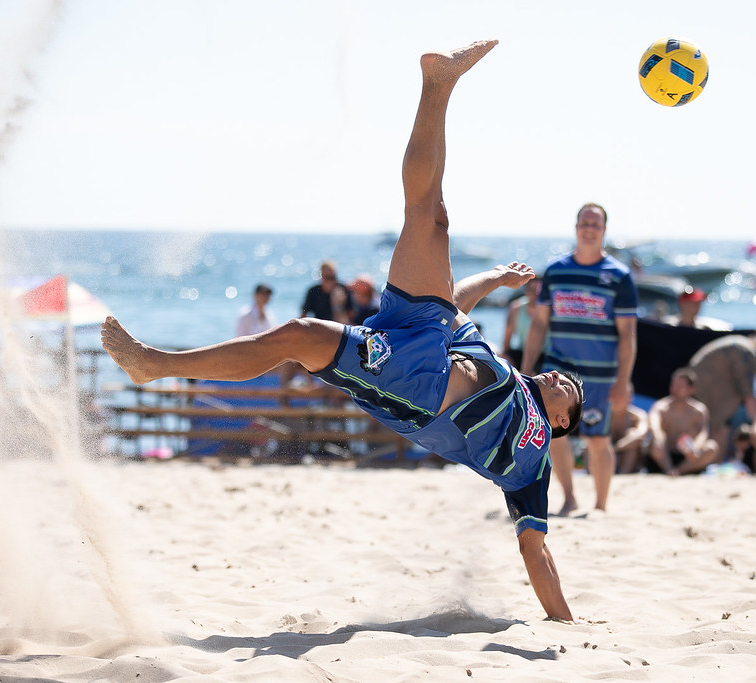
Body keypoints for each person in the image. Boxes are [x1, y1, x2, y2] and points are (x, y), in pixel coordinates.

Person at [101, 40, 584, 622]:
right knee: (432, 215)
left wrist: (565, 622)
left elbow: (535, 547)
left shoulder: (533, 459)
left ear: (561, 421)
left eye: (569, 389)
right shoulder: (507, 369)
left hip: (420, 388)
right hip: (423, 333)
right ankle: (440, 86)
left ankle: (155, 364)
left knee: (301, 335)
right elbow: (457, 303)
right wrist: (500, 276)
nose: (560, 377)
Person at [521, 203, 638, 514]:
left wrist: (623, 381)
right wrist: (528, 366)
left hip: (601, 374)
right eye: (584, 223)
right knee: (556, 435)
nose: (589, 229)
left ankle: (600, 506)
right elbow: (539, 323)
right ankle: (569, 498)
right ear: (576, 227)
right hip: (559, 370)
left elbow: (628, 335)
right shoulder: (557, 271)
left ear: (603, 231)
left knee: (597, 439)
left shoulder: (619, 276)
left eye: (595, 224)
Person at [689, 334, 756, 458]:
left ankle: (710, 460)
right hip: (705, 387)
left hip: (698, 382)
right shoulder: (751, 356)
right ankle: (714, 462)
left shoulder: (746, 347)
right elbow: (747, 395)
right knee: (721, 425)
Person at [646, 368, 720, 476]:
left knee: (711, 447)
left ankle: (678, 472)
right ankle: (669, 470)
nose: (675, 389)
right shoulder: (661, 407)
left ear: (691, 389)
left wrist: (695, 447)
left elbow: (703, 433)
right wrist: (658, 436)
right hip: (664, 455)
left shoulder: (699, 411)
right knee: (656, 441)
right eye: (673, 385)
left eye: (680, 386)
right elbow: (654, 426)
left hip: (687, 458)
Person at [502, 275, 541, 369]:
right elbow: (507, 338)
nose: (535, 294)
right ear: (526, 291)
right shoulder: (516, 308)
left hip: (543, 354)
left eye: (538, 291)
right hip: (522, 352)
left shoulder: (548, 309)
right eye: (532, 290)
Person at [612, 402, 649, 474]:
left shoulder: (637, 415)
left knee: (632, 435)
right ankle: (591, 474)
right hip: (606, 454)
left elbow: (641, 433)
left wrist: (615, 448)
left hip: (626, 454)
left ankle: (623, 475)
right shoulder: (604, 413)